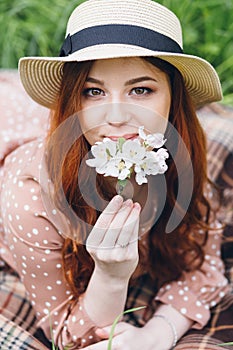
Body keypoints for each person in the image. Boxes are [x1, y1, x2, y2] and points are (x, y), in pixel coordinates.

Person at [0, 0, 231, 349]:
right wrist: (110, 276)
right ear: (72, 100)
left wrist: (156, 334)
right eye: (93, 91)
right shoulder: (31, 189)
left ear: (174, 98)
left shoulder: (179, 157)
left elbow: (204, 267)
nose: (118, 115)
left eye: (141, 90)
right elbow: (68, 335)